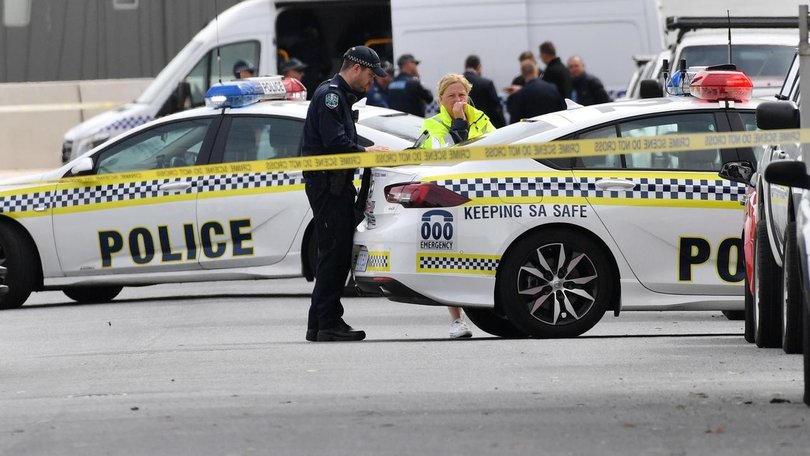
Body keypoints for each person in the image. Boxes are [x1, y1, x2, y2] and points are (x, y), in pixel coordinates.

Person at [301, 45, 390, 342]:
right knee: (334, 256)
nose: (372, 81)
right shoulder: (330, 96)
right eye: (370, 74)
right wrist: (368, 152)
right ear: (356, 68)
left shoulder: (336, 95)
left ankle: (319, 324)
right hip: (328, 185)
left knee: (332, 254)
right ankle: (329, 323)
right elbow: (334, 141)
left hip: (333, 184)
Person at [418, 73, 496, 338]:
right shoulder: (432, 124)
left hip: (482, 194)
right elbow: (446, 153)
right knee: (450, 256)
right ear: (440, 99)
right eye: (451, 96)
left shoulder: (483, 119)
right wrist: (459, 123)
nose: (458, 100)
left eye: (462, 95)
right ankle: (457, 320)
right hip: (448, 196)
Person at [463, 55, 506, 128]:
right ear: (479, 67)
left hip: (464, 128)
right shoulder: (487, 83)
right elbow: (496, 110)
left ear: (465, 66)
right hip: (484, 127)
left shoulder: (456, 84)